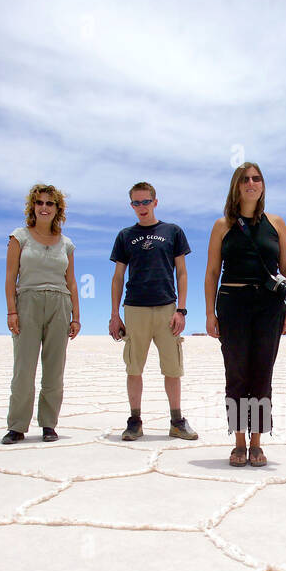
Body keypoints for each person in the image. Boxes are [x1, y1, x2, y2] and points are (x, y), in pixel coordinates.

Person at [204, 162, 286, 467]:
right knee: (236, 374)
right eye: (245, 179)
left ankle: (257, 442)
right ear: (236, 186)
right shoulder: (222, 226)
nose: (251, 183)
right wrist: (210, 314)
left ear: (262, 186)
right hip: (233, 303)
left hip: (269, 306)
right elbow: (212, 273)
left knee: (262, 374)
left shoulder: (277, 223)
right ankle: (239, 441)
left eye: (256, 179)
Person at [108, 182, 198, 441]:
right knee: (133, 368)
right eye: (136, 203)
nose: (142, 207)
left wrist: (181, 309)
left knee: (173, 368)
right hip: (135, 308)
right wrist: (115, 315)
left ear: (155, 202)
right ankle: (135, 421)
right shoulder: (125, 235)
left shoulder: (172, 231)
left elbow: (181, 271)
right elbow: (117, 277)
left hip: (167, 308)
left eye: (146, 202)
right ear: (131, 205)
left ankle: (177, 421)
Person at [1, 184, 80, 443]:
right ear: (33, 207)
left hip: (59, 304)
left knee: (54, 370)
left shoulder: (66, 243)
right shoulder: (19, 237)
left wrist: (76, 316)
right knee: (24, 369)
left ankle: (48, 424)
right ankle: (17, 426)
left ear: (58, 209)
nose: (44, 207)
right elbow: (10, 276)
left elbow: (71, 282)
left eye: (50, 203)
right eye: (40, 203)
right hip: (27, 302)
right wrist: (12, 311)